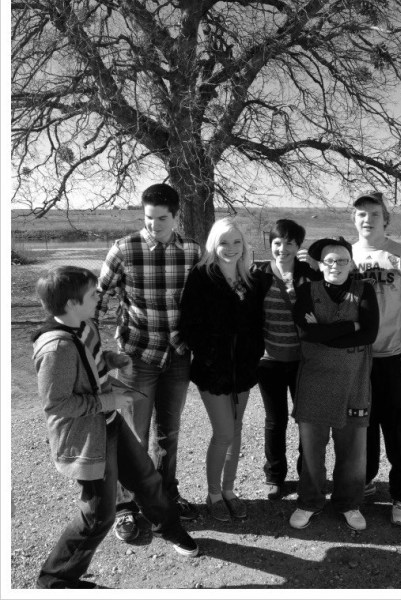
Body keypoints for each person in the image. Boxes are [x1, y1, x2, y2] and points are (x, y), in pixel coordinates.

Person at [33, 266, 199, 589]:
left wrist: (111, 360)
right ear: (71, 304)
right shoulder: (55, 349)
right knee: (98, 514)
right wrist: (107, 401)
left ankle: (169, 528)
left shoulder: (84, 326)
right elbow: (57, 405)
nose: (99, 297)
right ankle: (55, 581)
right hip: (88, 439)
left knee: (146, 478)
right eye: (92, 294)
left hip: (110, 423)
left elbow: (89, 363)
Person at [95, 183, 201, 542]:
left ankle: (165, 495)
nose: (154, 225)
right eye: (148, 218)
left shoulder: (192, 251)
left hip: (178, 355)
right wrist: (89, 346)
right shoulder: (125, 249)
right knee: (132, 436)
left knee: (168, 434)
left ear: (176, 216)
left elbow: (202, 298)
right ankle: (125, 506)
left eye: (162, 219)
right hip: (137, 356)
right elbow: (99, 297)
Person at [351, 192, 401, 526]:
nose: (367, 219)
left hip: (393, 356)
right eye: (361, 214)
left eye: (374, 213)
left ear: (386, 219)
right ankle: (365, 479)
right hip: (356, 359)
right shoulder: (345, 256)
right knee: (361, 425)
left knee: (397, 430)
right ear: (353, 219)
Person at [289, 237, 379, 532]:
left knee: (353, 450)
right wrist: (350, 326)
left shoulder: (364, 290)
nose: (336, 265)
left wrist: (324, 332)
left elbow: (369, 334)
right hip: (314, 381)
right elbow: (306, 333)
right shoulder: (307, 291)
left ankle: (349, 503)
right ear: (319, 264)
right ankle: (309, 501)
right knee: (312, 450)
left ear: (351, 263)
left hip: (354, 382)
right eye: (329, 260)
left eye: (342, 260)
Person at [179, 219, 264, 522]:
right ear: (213, 245)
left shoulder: (250, 278)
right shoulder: (201, 277)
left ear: (244, 245)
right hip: (213, 370)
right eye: (224, 242)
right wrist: (211, 354)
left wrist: (252, 354)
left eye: (236, 242)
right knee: (224, 431)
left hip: (243, 368)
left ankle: (229, 490)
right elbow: (189, 324)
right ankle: (213, 493)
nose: (230, 248)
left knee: (237, 430)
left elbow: (257, 323)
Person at [254, 219, 320, 500]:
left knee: (306, 419)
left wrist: (317, 268)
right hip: (269, 360)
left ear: (299, 246)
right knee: (275, 420)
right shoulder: (259, 273)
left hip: (303, 360)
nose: (283, 249)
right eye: (277, 242)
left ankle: (307, 472)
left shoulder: (309, 274)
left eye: (289, 243)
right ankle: (274, 475)